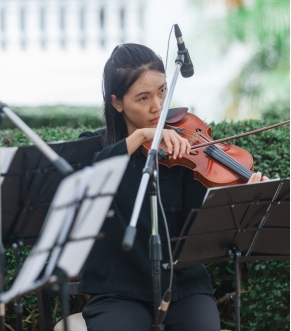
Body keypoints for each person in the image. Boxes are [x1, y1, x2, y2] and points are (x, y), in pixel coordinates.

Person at [78, 43, 268, 331]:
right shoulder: (96, 148)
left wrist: (247, 194)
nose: (158, 106)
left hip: (184, 287)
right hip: (118, 291)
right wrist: (141, 136)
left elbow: (205, 219)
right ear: (117, 102)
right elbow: (84, 178)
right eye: (143, 98)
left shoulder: (182, 146)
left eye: (162, 91)